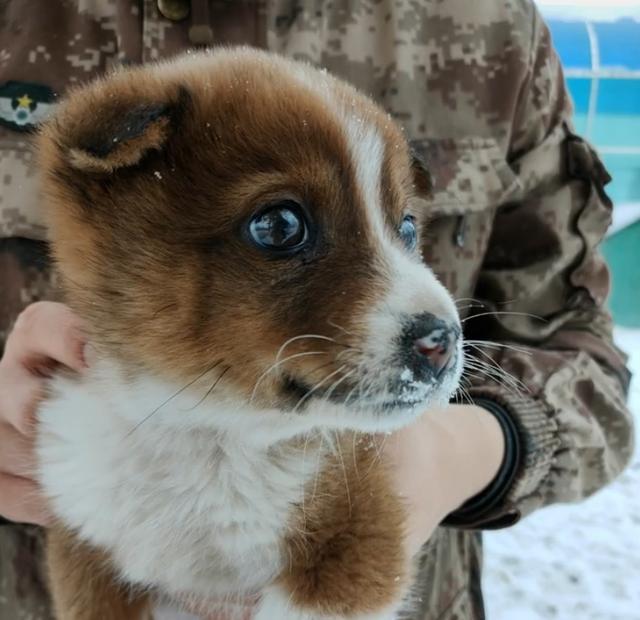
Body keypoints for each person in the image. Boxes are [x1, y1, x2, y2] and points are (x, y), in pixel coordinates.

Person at [0, 1, 633, 619]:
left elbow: (588, 367)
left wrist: (464, 451)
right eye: (279, 229)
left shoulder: (489, 21)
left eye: (404, 230)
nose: (423, 308)